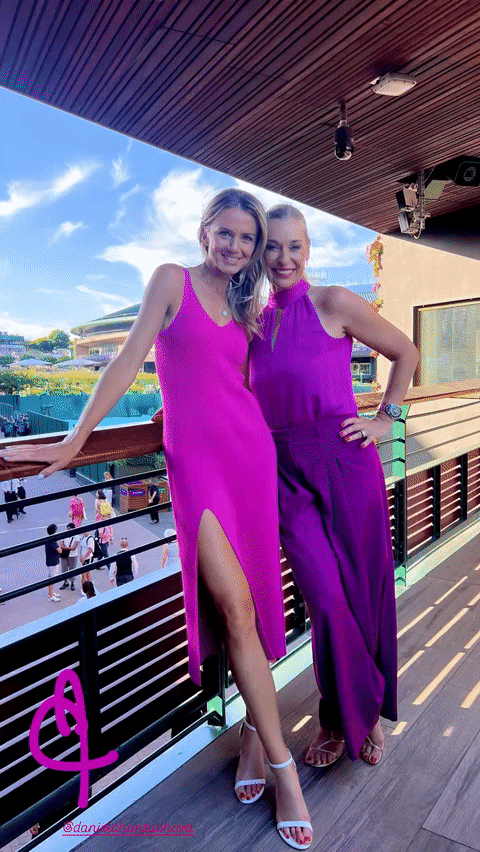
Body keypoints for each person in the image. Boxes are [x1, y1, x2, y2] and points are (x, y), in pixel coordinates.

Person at [0, 188, 313, 849]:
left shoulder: (245, 303)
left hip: (250, 457)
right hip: (197, 468)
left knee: (254, 606)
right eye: (225, 232)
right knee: (235, 607)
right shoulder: (171, 281)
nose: (236, 246)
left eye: (247, 238)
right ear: (204, 231)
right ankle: (285, 769)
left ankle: (256, 739)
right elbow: (127, 359)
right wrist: (75, 440)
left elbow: (241, 383)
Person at [249, 204, 419, 770]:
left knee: (363, 588)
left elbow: (406, 352)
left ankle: (344, 718)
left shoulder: (334, 302)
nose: (283, 258)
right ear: (259, 253)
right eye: (272, 246)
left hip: (346, 460)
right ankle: (357, 707)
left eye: (294, 246)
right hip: (284, 474)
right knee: (323, 595)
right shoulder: (252, 323)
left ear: (308, 249)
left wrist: (386, 419)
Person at [58, 522, 79, 591]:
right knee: (64, 569)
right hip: (65, 554)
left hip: (73, 555)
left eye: (69, 529)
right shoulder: (64, 535)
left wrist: (64, 547)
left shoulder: (76, 537)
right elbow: (60, 543)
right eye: (67, 529)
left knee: (72, 569)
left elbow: (74, 548)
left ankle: (72, 583)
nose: (68, 530)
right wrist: (66, 547)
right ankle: (65, 582)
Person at [45, 523, 62, 602]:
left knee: (51, 577)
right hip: (53, 562)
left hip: (50, 561)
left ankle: (51, 592)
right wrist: (60, 547)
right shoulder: (53, 541)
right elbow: (59, 551)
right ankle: (51, 596)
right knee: (52, 579)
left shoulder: (47, 539)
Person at [77, 529, 95, 594]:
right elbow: (81, 548)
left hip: (88, 558)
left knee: (83, 574)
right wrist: (80, 556)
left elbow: (90, 549)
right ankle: (89, 586)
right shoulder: (82, 538)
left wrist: (84, 557)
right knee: (87, 573)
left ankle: (84, 589)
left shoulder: (90, 539)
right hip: (83, 557)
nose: (84, 533)